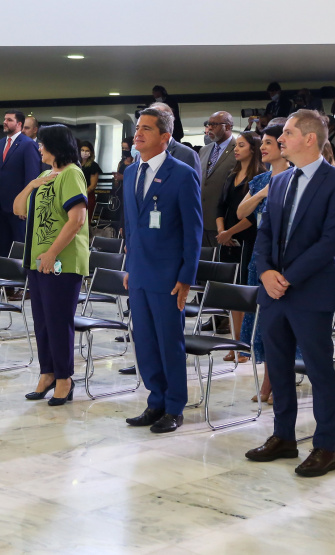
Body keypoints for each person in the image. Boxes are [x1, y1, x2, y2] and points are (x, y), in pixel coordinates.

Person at [244, 110, 335, 477]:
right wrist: (265, 272)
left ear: (310, 139)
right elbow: (263, 234)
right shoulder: (278, 181)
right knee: (277, 367)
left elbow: (330, 243)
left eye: (288, 133)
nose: (281, 139)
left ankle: (325, 447)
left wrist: (287, 277)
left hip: (310, 291)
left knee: (319, 371)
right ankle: (284, 437)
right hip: (274, 290)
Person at [122, 106, 202, 433]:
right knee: (144, 341)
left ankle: (174, 407)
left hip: (169, 276)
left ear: (165, 137)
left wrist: (186, 278)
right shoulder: (130, 172)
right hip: (140, 272)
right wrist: (130, 266)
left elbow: (193, 231)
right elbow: (131, 225)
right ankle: (155, 401)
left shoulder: (182, 174)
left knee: (169, 342)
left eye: (146, 129)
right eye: (137, 127)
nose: (137, 133)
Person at [13, 124, 89, 406]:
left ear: (56, 145)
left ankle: (64, 379)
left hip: (62, 262)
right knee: (43, 323)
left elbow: (77, 220)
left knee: (58, 322)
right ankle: (47, 374)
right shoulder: (46, 175)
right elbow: (18, 209)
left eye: (42, 143)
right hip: (38, 261)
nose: (39, 148)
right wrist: (32, 185)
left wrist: (52, 253)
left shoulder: (72, 174)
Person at [237, 124, 290, 404]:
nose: (264, 148)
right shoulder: (261, 181)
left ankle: (275, 383)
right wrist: (262, 193)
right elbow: (241, 211)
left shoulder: (295, 178)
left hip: (285, 260)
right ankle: (271, 382)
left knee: (279, 326)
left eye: (269, 142)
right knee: (264, 324)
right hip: (260, 257)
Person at [217, 131, 265, 363]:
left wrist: (230, 232)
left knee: (244, 291)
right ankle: (233, 344)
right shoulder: (231, 174)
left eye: (241, 145)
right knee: (232, 294)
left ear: (253, 149)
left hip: (247, 238)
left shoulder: (260, 176)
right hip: (226, 239)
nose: (236, 149)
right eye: (236, 145)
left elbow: (254, 216)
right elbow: (220, 207)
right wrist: (221, 232)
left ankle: (244, 345)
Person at [0, 110, 41, 271]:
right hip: (1, 205)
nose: (5, 122)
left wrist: (27, 203)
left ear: (19, 124)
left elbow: (32, 178)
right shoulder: (0, 143)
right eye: (4, 119)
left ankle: (20, 285)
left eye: (9, 120)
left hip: (19, 207)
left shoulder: (28, 144)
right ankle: (6, 285)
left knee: (19, 246)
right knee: (4, 247)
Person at [199, 111, 237, 246]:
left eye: (214, 125)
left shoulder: (239, 149)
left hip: (224, 223)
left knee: (221, 265)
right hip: (201, 220)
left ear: (227, 127)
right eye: (209, 124)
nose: (209, 128)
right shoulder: (204, 150)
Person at [79, 141, 102, 221]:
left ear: (91, 152)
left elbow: (93, 185)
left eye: (87, 151)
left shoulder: (93, 166)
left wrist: (82, 194)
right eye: (82, 150)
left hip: (87, 195)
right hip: (75, 194)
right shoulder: (76, 164)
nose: (84, 152)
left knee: (85, 221)